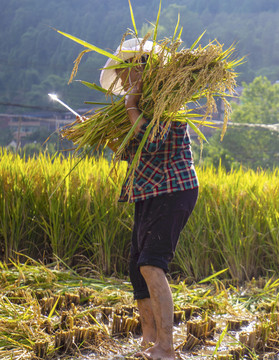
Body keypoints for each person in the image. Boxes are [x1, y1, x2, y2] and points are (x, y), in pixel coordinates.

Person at [100, 38, 199, 360]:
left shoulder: (168, 102)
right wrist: (102, 136)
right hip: (147, 191)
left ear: (144, 70)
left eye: (128, 70)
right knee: (136, 268)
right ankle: (149, 342)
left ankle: (167, 349)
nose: (124, 78)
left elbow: (151, 141)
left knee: (151, 264)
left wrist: (131, 105)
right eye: (122, 72)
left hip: (173, 190)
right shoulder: (143, 106)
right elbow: (133, 152)